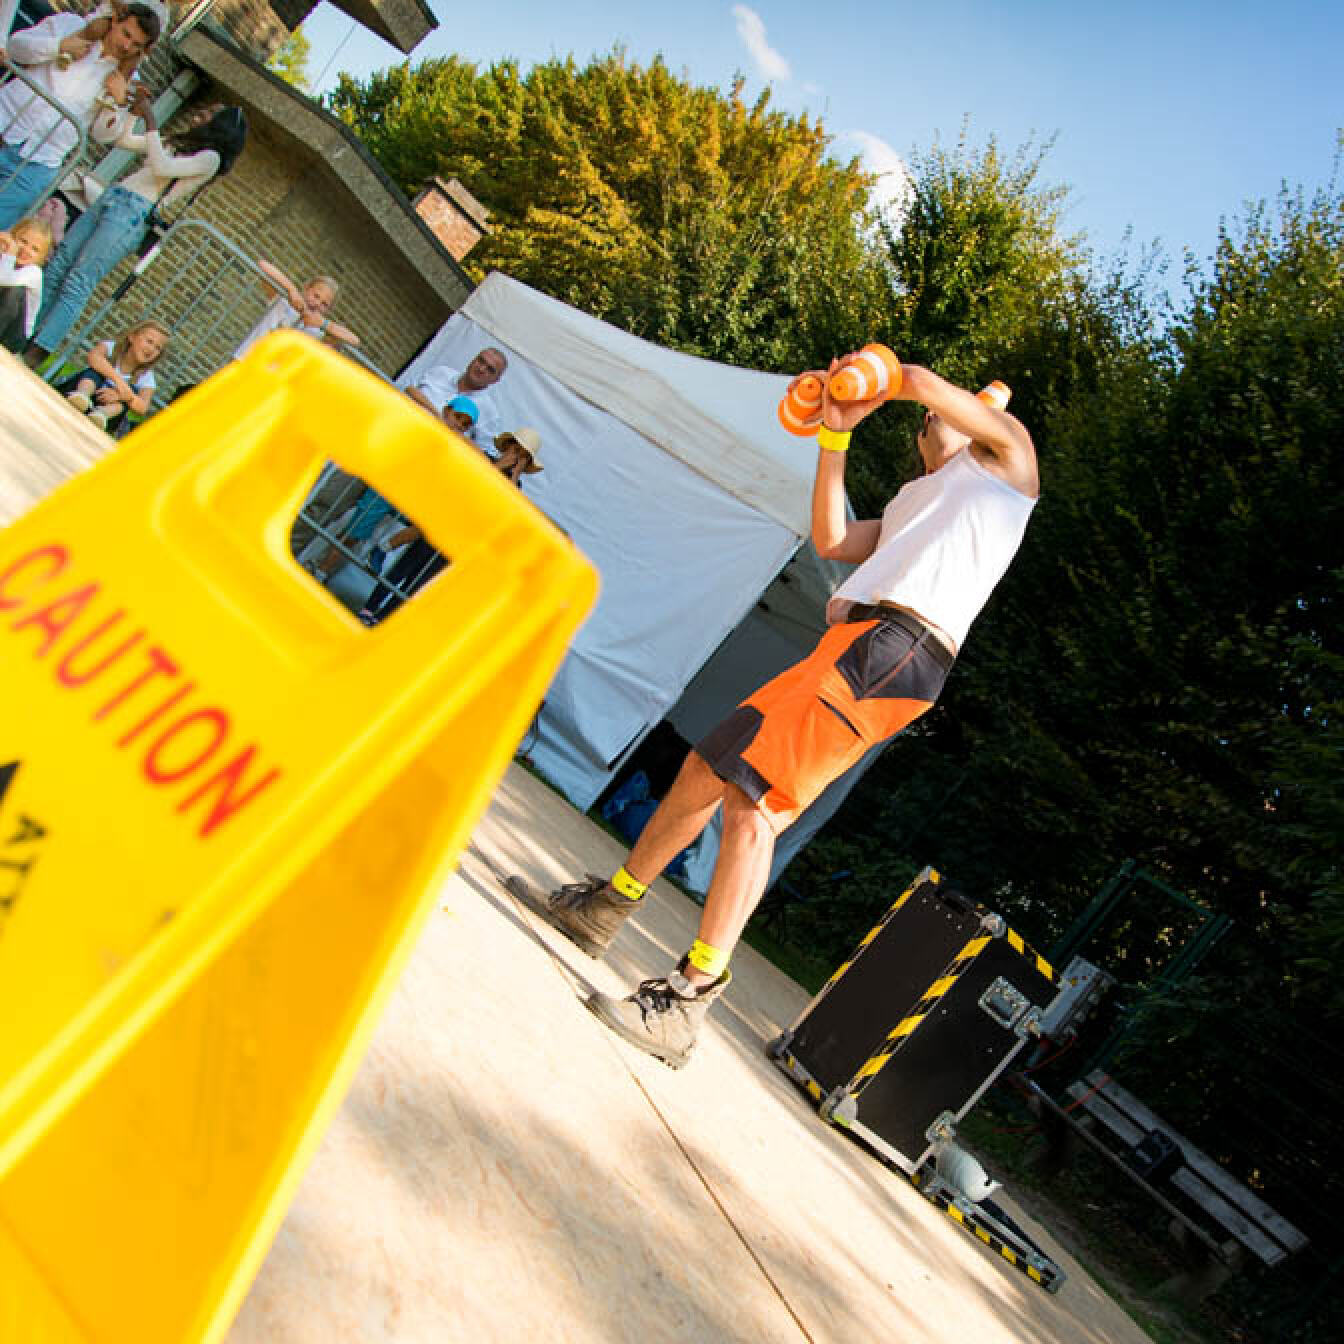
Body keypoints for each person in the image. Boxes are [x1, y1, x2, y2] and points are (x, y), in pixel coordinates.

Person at [510, 358, 1040, 1068]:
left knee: (756, 807)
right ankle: (607, 907)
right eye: (927, 422)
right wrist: (834, 435)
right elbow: (832, 541)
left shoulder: (1007, 464)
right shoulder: (919, 499)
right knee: (707, 767)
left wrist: (871, 378)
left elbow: (918, 380)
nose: (933, 419)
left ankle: (689, 997)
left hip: (896, 649)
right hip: (856, 643)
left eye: (947, 413)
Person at [25, 89, 246, 362]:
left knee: (79, 279)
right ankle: (22, 330)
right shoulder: (179, 143)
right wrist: (133, 115)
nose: (203, 113)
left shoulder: (210, 159)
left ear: (221, 128)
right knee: (59, 264)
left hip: (133, 213)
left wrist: (151, 119)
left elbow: (162, 167)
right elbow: (123, 140)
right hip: (114, 196)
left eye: (212, 114)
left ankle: (40, 348)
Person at [357, 426, 544, 626]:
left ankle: (383, 619)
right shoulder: (483, 459)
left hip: (460, 540)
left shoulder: (515, 486)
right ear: (507, 446)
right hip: (443, 524)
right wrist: (498, 466)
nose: (516, 457)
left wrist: (514, 474)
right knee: (403, 568)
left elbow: (507, 504)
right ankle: (369, 607)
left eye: (523, 457)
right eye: (515, 450)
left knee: (419, 582)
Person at [0, 4, 157, 228]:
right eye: (126, 34)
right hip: (5, 119)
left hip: (41, 161)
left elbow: (102, 136)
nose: (126, 46)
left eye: (136, 45)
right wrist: (59, 46)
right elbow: (15, 47)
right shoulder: (71, 25)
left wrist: (116, 103)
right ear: (115, 20)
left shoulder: (129, 80)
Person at [232, 260, 359, 360]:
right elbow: (263, 265)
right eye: (316, 296)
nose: (317, 304)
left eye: (324, 304)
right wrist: (291, 289)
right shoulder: (282, 303)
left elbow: (355, 341)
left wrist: (323, 324)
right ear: (306, 289)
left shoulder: (317, 332)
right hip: (245, 362)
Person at [60, 316, 167, 431]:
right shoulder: (111, 347)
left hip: (106, 412)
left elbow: (143, 408)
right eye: (149, 341)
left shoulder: (147, 377)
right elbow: (94, 357)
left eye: (158, 348)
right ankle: (81, 396)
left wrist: (126, 396)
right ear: (132, 337)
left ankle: (100, 415)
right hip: (80, 393)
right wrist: (120, 384)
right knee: (96, 371)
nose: (151, 349)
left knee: (132, 395)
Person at [403, 347, 507, 448]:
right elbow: (405, 387)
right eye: (481, 361)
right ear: (473, 359)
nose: (481, 369)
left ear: (496, 380)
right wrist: (439, 417)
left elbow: (481, 453)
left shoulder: (490, 414)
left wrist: (456, 434)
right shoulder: (440, 372)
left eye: (490, 369)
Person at [0, 213, 50, 349]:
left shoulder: (34, 272)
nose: (26, 250)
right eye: (23, 241)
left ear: (41, 257)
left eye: (35, 249)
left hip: (13, 335)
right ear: (12, 237)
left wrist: (10, 254)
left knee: (14, 291)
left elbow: (4, 278)